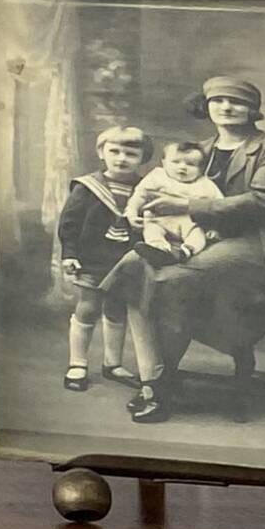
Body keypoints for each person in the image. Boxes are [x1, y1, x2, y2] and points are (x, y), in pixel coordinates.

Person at [135, 71, 265, 416]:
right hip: (206, 238)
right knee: (134, 269)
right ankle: (156, 374)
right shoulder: (199, 151)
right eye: (218, 100)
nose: (226, 107)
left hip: (258, 244)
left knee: (173, 279)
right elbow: (160, 187)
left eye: (237, 102)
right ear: (206, 106)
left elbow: (263, 202)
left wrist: (186, 207)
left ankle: (160, 389)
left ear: (253, 110)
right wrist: (139, 213)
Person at [53, 122, 153, 392]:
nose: (122, 158)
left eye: (131, 154)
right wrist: (69, 254)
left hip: (126, 259)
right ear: (102, 152)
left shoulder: (146, 188)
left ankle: (112, 363)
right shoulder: (87, 187)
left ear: (143, 158)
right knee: (88, 306)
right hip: (92, 258)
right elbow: (69, 224)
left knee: (116, 309)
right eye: (115, 151)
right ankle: (77, 363)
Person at [127, 131, 222, 264]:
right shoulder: (157, 176)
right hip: (158, 219)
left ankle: (186, 251)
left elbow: (218, 207)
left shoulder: (205, 183)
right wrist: (132, 214)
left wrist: (214, 228)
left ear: (201, 168)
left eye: (190, 164)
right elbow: (139, 196)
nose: (182, 167)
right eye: (175, 162)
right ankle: (158, 249)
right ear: (164, 162)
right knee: (151, 230)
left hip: (189, 222)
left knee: (197, 235)